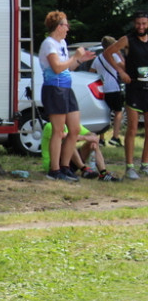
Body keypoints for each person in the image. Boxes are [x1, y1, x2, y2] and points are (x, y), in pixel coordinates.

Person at [40, 11, 94, 181]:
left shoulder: (62, 42)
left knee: (75, 129)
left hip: (66, 89)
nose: (68, 28)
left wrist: (79, 60)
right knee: (57, 131)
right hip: (54, 89)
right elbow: (56, 68)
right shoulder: (49, 44)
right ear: (58, 26)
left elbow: (68, 68)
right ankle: (54, 170)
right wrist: (74, 57)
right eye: (66, 25)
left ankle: (65, 167)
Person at [102, 11, 148, 179]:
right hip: (134, 87)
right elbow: (108, 52)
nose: (141, 27)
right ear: (134, 24)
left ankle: (144, 164)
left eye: (144, 23)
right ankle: (129, 167)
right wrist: (121, 70)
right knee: (133, 128)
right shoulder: (128, 39)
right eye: (138, 23)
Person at [40, 122, 120, 181]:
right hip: (55, 164)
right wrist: (85, 138)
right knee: (68, 142)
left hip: (71, 161)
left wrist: (93, 140)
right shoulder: (50, 126)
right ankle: (84, 168)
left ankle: (103, 173)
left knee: (92, 141)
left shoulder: (73, 124)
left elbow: (91, 134)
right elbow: (63, 136)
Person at [90, 36, 124, 147]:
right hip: (113, 87)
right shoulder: (114, 55)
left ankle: (101, 139)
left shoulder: (98, 58)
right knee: (118, 112)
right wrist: (120, 54)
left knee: (105, 113)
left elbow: (91, 72)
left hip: (101, 89)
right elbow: (123, 66)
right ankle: (115, 137)